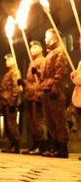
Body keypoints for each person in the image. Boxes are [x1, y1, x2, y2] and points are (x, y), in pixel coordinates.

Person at [40, 28, 68, 158]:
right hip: (47, 89)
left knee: (59, 119)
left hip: (54, 90)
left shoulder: (59, 52)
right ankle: (55, 145)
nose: (45, 39)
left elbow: (60, 72)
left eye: (47, 36)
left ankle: (62, 147)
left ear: (55, 36)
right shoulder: (49, 54)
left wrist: (55, 88)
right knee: (49, 120)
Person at [19, 40, 47, 155]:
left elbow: (43, 76)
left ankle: (42, 144)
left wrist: (38, 73)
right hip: (29, 94)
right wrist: (23, 82)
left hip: (37, 94)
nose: (33, 49)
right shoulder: (32, 62)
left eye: (36, 47)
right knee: (30, 120)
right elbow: (31, 81)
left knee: (38, 120)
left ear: (41, 49)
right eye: (31, 48)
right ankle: (35, 143)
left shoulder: (42, 61)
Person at [0, 53, 21, 153]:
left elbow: (15, 88)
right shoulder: (7, 73)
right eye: (6, 60)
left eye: (10, 60)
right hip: (5, 101)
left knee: (11, 124)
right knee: (8, 125)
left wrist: (13, 102)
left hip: (10, 102)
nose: (7, 62)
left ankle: (16, 144)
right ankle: (12, 143)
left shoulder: (15, 72)